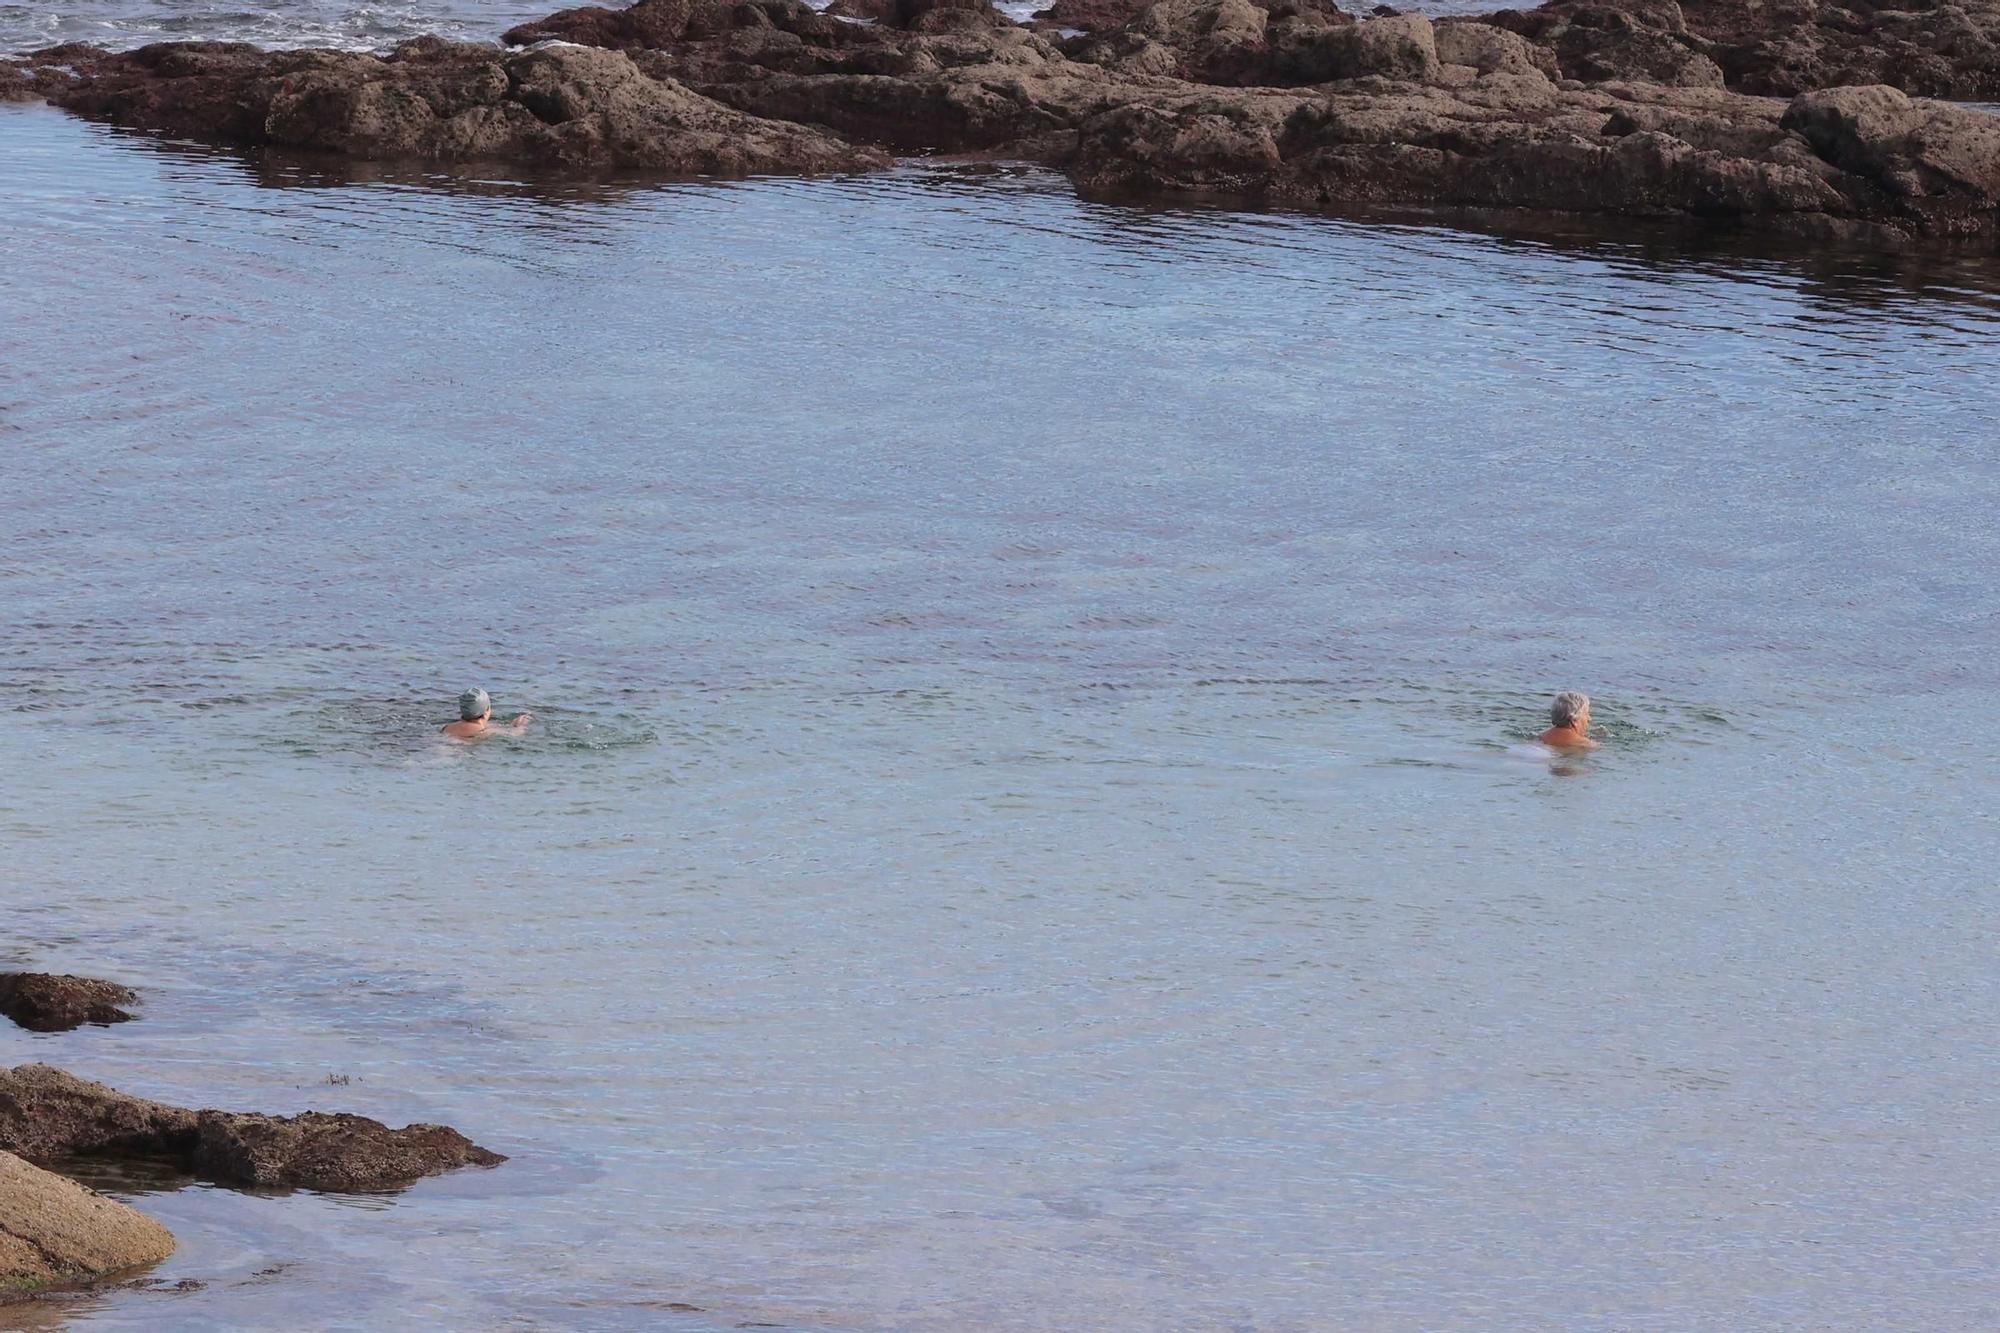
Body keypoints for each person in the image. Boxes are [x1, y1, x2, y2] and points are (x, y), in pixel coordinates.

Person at [442, 688, 531, 740]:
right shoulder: (484, 732)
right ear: (487, 710)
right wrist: (520, 726)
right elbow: (515, 735)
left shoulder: (447, 728)